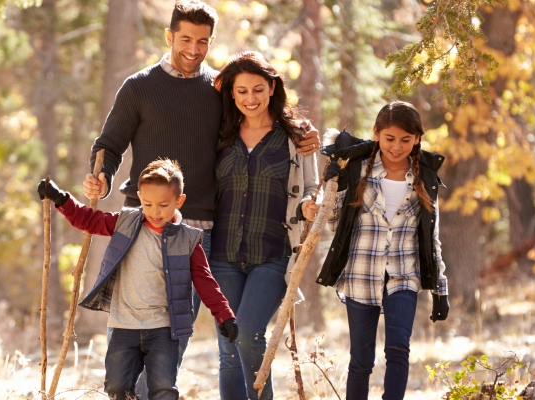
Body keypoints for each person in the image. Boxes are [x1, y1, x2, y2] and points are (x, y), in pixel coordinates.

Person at [83, 1, 319, 397]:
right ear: (169, 36)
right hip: (142, 224)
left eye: (203, 41)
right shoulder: (139, 87)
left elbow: (256, 116)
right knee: (134, 327)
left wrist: (301, 132)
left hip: (198, 231)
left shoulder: (218, 90)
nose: (194, 49)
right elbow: (109, 145)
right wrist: (101, 179)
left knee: (176, 333)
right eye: (186, 39)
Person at [38, 160, 239, 400]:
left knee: (163, 388)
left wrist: (225, 316)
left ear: (179, 201)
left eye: (163, 205)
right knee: (116, 387)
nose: (155, 211)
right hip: (124, 325)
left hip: (164, 328)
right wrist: (60, 198)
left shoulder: (188, 239)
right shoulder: (126, 223)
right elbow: (88, 220)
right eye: (147, 204)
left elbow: (205, 281)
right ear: (140, 198)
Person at [316, 101, 451, 400]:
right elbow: (334, 224)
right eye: (390, 138)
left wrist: (440, 290)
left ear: (417, 138)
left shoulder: (426, 176)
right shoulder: (357, 169)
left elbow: (432, 237)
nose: (397, 146)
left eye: (406, 139)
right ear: (376, 133)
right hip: (361, 275)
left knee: (399, 349)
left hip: (404, 275)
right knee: (361, 360)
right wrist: (334, 187)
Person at [206, 51, 318, 400]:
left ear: (272, 87)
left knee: (249, 333)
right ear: (232, 93)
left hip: (272, 254)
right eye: (241, 91)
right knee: (228, 348)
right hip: (222, 255)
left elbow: (311, 186)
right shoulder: (220, 133)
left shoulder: (295, 137)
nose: (250, 98)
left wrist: (308, 205)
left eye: (258, 89)